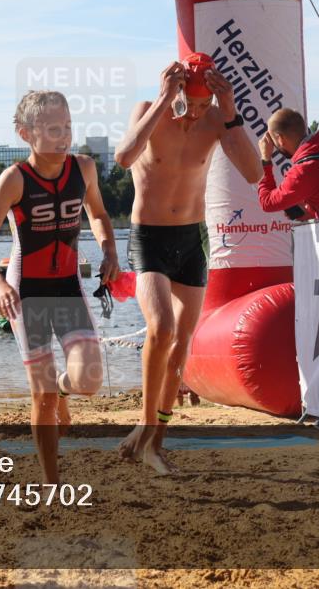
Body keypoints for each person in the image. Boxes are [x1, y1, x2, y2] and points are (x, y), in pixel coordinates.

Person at [114, 53, 261, 474]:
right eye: (188, 104)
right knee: (160, 329)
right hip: (149, 237)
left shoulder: (216, 120)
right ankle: (144, 427)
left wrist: (228, 111)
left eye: (202, 106)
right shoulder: (148, 110)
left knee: (181, 342)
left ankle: (154, 443)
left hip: (192, 237)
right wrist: (164, 102)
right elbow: (124, 157)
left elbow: (252, 172)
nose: (194, 114)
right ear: (174, 90)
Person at [0, 90, 120, 484]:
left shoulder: (84, 169)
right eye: (53, 128)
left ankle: (64, 394)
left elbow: (100, 214)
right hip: (27, 292)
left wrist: (109, 252)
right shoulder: (14, 179)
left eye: (67, 126)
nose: (63, 136)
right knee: (42, 395)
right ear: (26, 133)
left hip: (68, 287)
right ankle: (52, 480)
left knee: (88, 381)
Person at [256, 108, 319, 219]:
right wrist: (306, 214)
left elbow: (267, 202)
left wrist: (265, 159)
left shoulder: (302, 171)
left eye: (273, 141)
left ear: (280, 139)